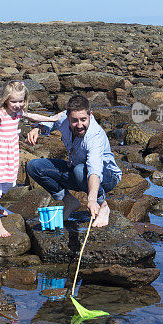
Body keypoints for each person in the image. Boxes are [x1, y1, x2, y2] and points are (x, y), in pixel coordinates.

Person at [0, 79, 59, 237]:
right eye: (14, 101)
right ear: (6, 100)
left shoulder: (18, 113)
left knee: (11, 184)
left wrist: (52, 119)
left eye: (21, 101)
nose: (18, 104)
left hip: (10, 152)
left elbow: (33, 116)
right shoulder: (1, 114)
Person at [26, 93, 122, 227]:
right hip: (77, 170)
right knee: (34, 166)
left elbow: (94, 170)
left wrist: (92, 200)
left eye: (83, 119)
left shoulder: (94, 136)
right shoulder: (63, 117)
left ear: (90, 114)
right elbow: (50, 122)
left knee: (80, 171)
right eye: (74, 120)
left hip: (107, 176)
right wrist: (37, 129)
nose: (79, 125)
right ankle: (69, 201)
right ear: (68, 117)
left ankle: (103, 206)